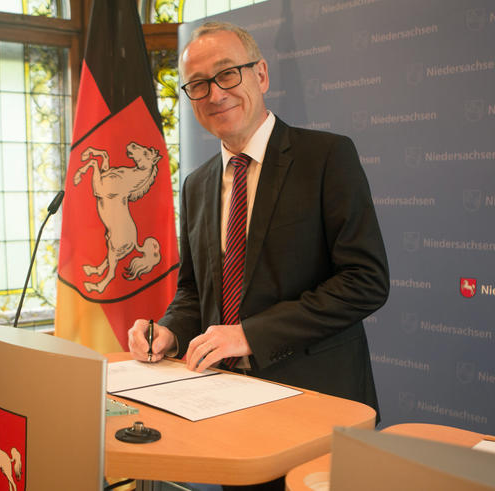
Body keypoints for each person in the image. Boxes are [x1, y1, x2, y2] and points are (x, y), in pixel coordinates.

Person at [129, 21, 388, 417]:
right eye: (198, 84)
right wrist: (168, 332)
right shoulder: (197, 185)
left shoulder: (326, 157)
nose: (215, 94)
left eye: (228, 73)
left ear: (261, 75)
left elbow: (365, 282)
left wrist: (251, 335)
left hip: (319, 402)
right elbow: (195, 293)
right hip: (225, 402)